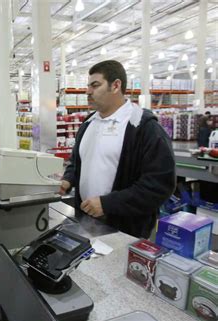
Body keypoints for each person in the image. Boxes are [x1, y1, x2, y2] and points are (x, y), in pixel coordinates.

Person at [59, 60, 176, 238]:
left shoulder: (143, 127)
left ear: (116, 86)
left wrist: (108, 204)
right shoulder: (88, 124)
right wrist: (67, 180)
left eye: (95, 85)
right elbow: (77, 163)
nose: (88, 91)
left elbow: (159, 185)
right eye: (88, 86)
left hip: (125, 228)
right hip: (86, 221)